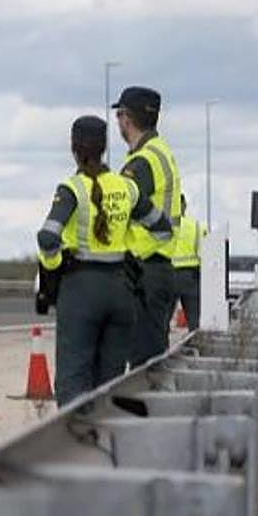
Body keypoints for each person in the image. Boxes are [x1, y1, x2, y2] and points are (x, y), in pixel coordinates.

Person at [37, 116, 172, 406]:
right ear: (105, 147)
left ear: (74, 147)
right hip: (120, 290)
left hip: (81, 291)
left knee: (73, 381)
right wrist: (129, 253)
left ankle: (73, 445)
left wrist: (53, 267)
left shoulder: (72, 188)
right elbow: (163, 229)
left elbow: (48, 238)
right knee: (110, 384)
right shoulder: (127, 188)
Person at [112, 86, 185, 366]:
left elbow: (117, 208)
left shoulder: (142, 162)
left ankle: (148, 410)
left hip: (144, 271)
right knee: (153, 357)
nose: (118, 121)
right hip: (161, 268)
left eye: (119, 115)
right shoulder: (161, 152)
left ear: (126, 118)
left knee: (144, 364)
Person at [172, 195, 205, 330]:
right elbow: (203, 254)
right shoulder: (196, 226)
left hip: (169, 275)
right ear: (184, 205)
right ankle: (196, 347)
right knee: (195, 320)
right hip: (190, 277)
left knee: (161, 322)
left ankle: (163, 350)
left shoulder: (163, 226)